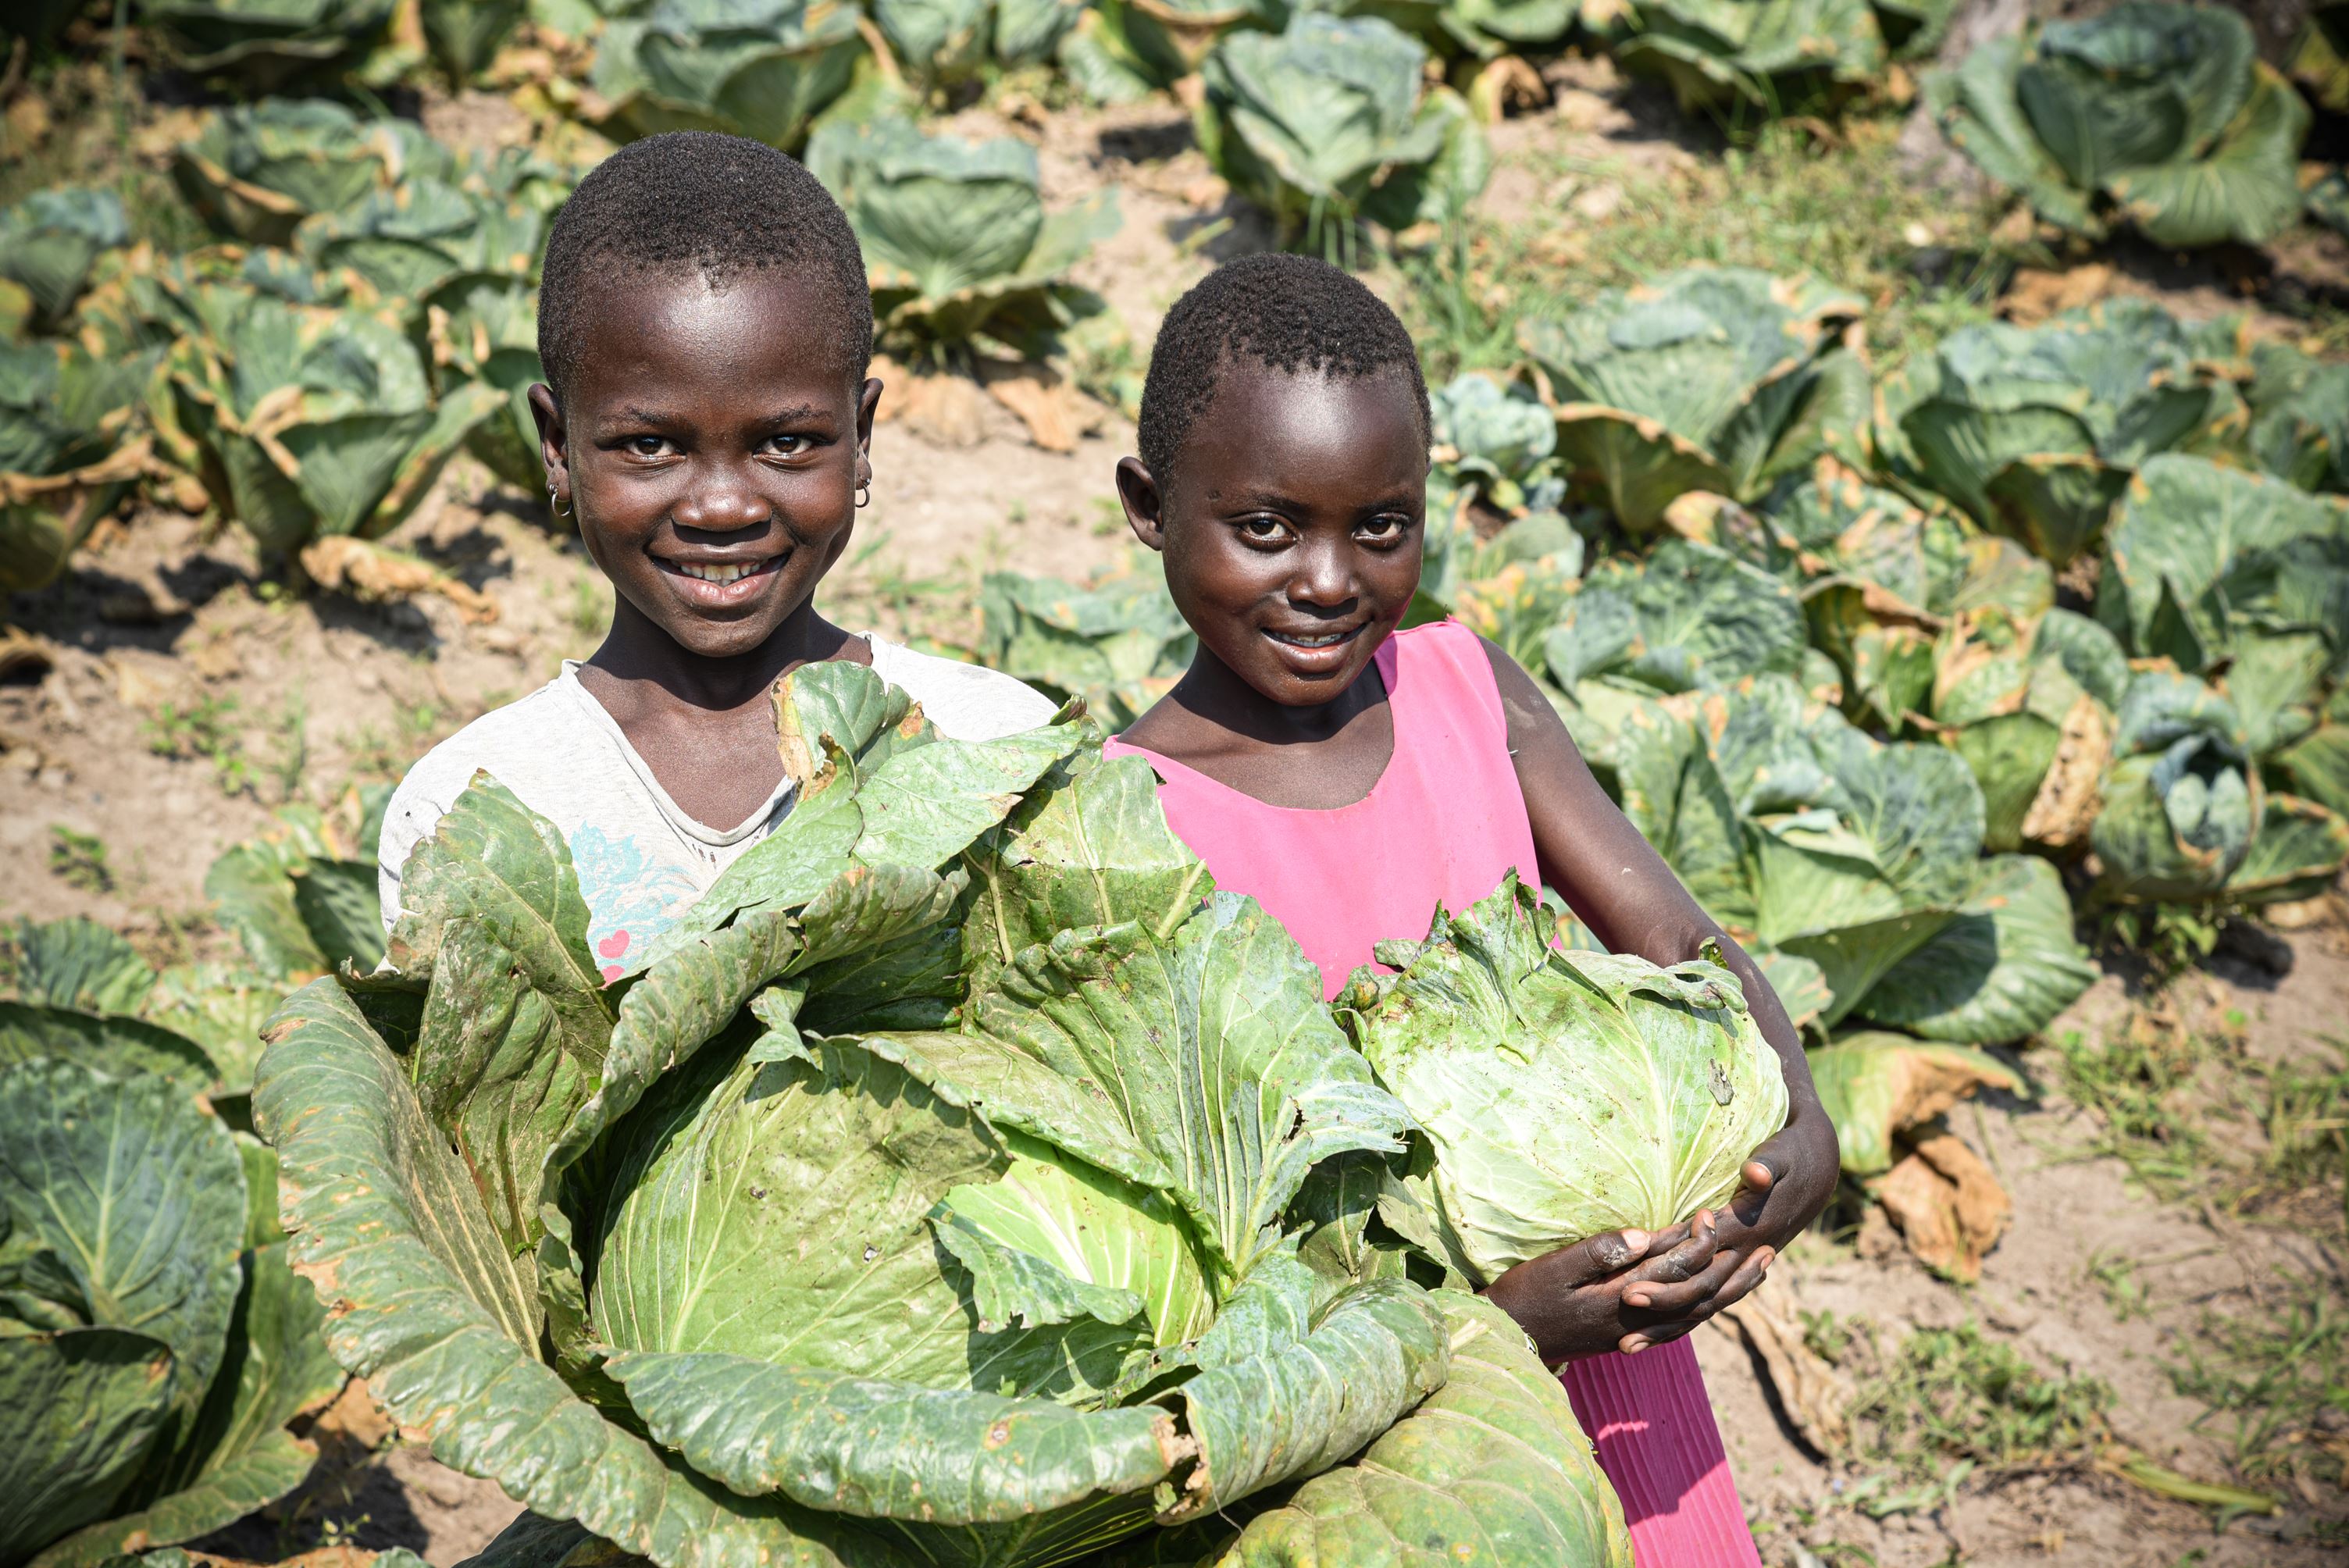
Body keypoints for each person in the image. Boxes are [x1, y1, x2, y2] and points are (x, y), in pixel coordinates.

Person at [1101, 253, 1840, 1566]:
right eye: (1264, 528)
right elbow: (1199, 1218)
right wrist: (1486, 1324)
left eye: (1380, 525)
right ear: (1150, 509)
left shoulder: (1460, 685)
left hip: (1622, 1366)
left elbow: (1677, 939)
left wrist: (1798, 1110)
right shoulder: (1127, 820)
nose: (1328, 580)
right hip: (1385, 1428)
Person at [376, 132, 1055, 971]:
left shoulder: (998, 749)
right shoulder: (475, 812)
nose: (722, 506)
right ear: (557, 446)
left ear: (862, 434)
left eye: (786, 442)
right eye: (651, 446)